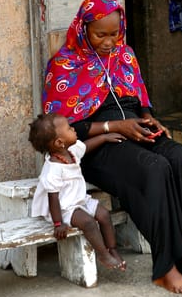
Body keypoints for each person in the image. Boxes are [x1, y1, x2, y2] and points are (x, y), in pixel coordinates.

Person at [41, 0, 182, 294]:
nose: (108, 41)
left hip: (133, 129)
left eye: (114, 34)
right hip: (95, 145)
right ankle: (165, 267)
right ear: (83, 29)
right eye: (100, 34)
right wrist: (115, 126)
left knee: (179, 156)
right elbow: (63, 130)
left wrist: (149, 118)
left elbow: (139, 98)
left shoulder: (125, 55)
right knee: (154, 168)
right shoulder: (63, 65)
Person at [28, 112, 127, 270]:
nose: (73, 129)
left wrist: (103, 138)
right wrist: (58, 223)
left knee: (104, 215)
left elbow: (86, 146)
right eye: (69, 128)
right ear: (60, 142)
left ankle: (112, 249)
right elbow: (53, 199)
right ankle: (103, 254)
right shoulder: (52, 169)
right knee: (88, 222)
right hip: (64, 208)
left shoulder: (71, 152)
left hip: (79, 200)